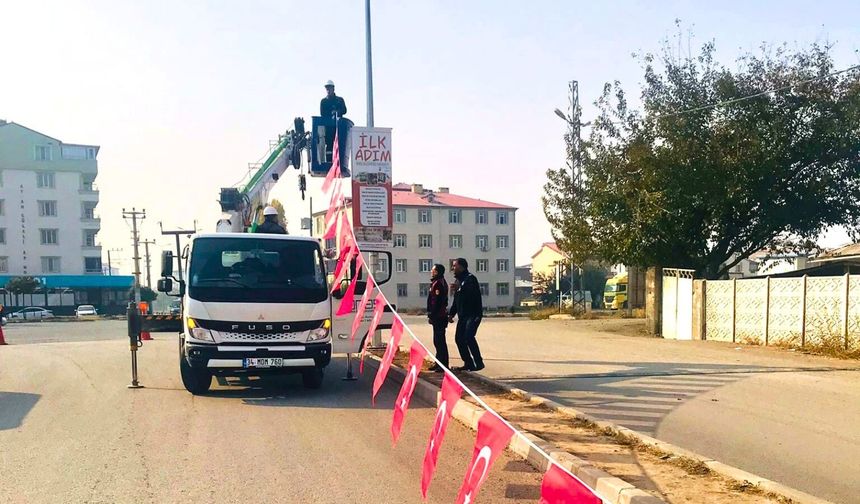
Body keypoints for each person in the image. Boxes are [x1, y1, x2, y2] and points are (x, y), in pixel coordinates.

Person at [448, 258, 485, 371]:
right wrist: (451, 314)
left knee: (469, 337)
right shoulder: (458, 281)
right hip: (463, 316)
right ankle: (468, 363)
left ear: (461, 267)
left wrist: (460, 289)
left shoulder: (471, 279)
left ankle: (478, 362)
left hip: (473, 315)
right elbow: (456, 300)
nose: (453, 268)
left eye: (455, 266)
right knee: (459, 339)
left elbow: (472, 295)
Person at [426, 264, 449, 372]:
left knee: (440, 341)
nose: (431, 271)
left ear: (437, 272)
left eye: (433, 269)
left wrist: (432, 315)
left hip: (439, 316)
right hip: (437, 315)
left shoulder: (439, 283)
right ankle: (438, 362)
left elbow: (437, 302)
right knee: (437, 341)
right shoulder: (436, 282)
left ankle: (443, 364)